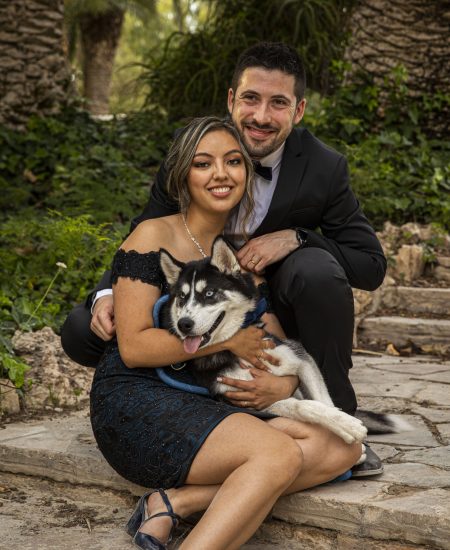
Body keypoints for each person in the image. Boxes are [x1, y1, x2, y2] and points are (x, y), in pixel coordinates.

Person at [62, 42, 386, 476]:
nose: (261, 116)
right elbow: (148, 227)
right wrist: (108, 290)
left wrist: (297, 237)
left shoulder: (324, 168)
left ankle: (340, 414)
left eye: (279, 103)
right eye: (251, 98)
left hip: (275, 301)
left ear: (299, 110)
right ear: (232, 99)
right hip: (195, 299)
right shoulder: (194, 148)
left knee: (316, 270)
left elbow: (370, 264)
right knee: (84, 329)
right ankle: (183, 397)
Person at [90, 116, 363, 550]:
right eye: (204, 163)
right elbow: (135, 347)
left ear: (245, 173)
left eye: (233, 161)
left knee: (344, 446)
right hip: (139, 401)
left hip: (208, 399)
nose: (221, 173)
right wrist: (230, 341)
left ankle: (176, 502)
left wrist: (284, 381)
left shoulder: (233, 259)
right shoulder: (152, 236)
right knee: (279, 453)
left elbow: (270, 338)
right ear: (183, 176)